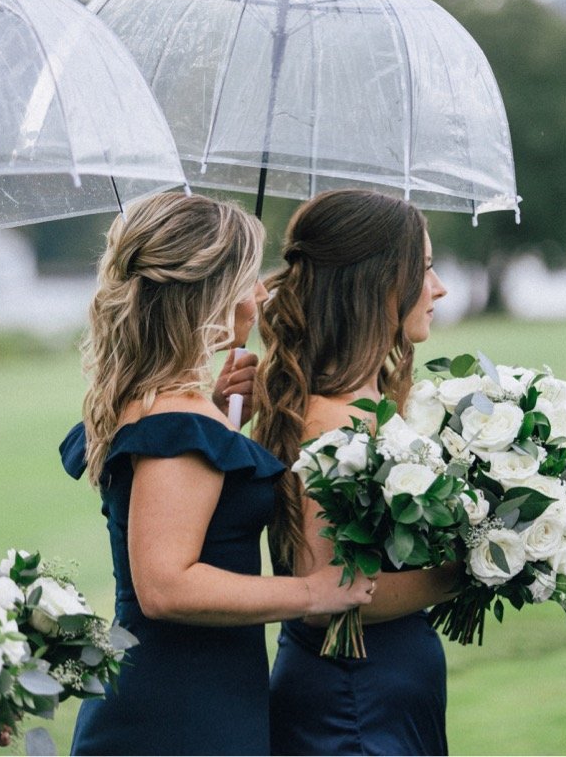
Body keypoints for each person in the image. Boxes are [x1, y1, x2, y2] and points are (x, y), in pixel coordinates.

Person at [58, 193, 375, 756]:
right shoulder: (177, 422)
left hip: (192, 692)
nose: (260, 294)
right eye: (249, 277)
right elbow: (165, 585)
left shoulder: (157, 404)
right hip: (179, 709)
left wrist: (222, 415)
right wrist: (312, 591)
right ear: (213, 294)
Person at [253, 188, 456, 756]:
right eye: (426, 269)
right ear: (380, 282)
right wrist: (473, 570)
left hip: (390, 689)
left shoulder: (372, 405)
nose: (438, 288)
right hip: (351, 704)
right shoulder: (329, 423)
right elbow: (332, 594)